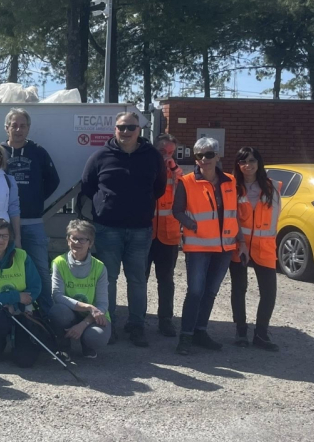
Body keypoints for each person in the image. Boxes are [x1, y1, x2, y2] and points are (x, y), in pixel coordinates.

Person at [80, 111, 165, 347]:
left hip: (140, 229)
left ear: (139, 130)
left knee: (137, 280)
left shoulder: (152, 157)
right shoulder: (100, 156)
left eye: (131, 127)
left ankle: (136, 326)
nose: (126, 131)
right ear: (115, 129)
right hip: (107, 228)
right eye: (121, 127)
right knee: (108, 279)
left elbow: (159, 187)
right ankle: (108, 325)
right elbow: (87, 186)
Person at [172, 137, 239, 355]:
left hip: (224, 248)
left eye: (209, 154)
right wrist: (191, 224)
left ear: (217, 156)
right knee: (195, 292)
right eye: (199, 155)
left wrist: (241, 241)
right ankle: (186, 336)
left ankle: (200, 332)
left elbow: (236, 212)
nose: (204, 159)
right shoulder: (186, 181)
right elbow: (177, 210)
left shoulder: (230, 181)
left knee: (210, 292)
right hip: (198, 246)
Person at [3, 108, 60, 314]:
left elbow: (53, 181)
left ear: (28, 128)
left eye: (23, 126)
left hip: (33, 222)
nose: (18, 129)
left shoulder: (38, 152)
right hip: (4, 224)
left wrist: (35, 198)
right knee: (5, 269)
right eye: (14, 125)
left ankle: (47, 312)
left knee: (41, 268)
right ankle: (8, 311)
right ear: (7, 128)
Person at [0, 219, 46, 366]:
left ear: (10, 238)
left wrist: (17, 305)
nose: (0, 239)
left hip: (22, 310)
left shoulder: (22, 256)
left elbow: (35, 286)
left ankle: (20, 343)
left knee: (26, 361)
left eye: (5, 236)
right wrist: (15, 297)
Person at [229, 147, 281, 352]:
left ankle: (261, 334)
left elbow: (274, 219)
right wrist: (241, 242)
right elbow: (231, 217)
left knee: (269, 292)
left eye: (251, 160)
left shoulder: (272, 187)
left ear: (259, 163)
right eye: (243, 161)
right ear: (238, 165)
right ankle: (241, 331)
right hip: (239, 245)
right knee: (239, 289)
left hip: (265, 247)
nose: (247, 165)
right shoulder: (233, 187)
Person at [49, 220, 111, 359]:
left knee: (97, 337)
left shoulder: (100, 267)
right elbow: (57, 295)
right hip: (69, 312)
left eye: (83, 239)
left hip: (93, 316)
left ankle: (87, 344)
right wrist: (88, 306)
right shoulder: (59, 262)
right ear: (68, 240)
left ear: (91, 243)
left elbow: (102, 304)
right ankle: (64, 346)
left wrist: (83, 324)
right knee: (58, 312)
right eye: (74, 238)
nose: (77, 242)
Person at [146, 134, 183, 338]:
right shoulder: (146, 168)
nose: (167, 156)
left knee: (166, 280)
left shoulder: (176, 172)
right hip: (145, 234)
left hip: (168, 236)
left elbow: (185, 186)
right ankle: (137, 319)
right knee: (139, 279)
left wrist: (173, 168)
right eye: (162, 152)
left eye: (171, 152)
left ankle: (166, 320)